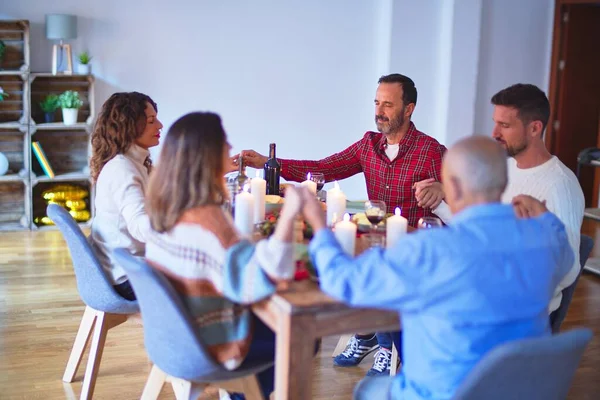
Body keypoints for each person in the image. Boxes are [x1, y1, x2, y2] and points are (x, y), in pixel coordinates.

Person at [302, 136, 574, 400]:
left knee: (367, 389)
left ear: (451, 187)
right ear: (503, 183)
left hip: (443, 393)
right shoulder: (544, 239)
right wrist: (546, 217)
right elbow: (566, 259)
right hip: (518, 390)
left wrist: (317, 223)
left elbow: (341, 281)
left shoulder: (430, 249)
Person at [241, 73, 447, 374]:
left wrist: (442, 190)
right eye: (377, 102)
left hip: (412, 248)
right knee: (338, 258)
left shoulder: (431, 151)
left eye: (388, 104)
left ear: (409, 109)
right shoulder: (368, 145)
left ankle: (387, 342)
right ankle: (370, 334)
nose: (380, 111)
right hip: (374, 243)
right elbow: (323, 168)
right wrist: (270, 163)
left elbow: (461, 196)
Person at [144, 112, 308, 400]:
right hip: (210, 343)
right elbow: (267, 277)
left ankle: (245, 393)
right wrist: (291, 212)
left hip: (171, 338)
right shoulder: (209, 221)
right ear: (207, 156)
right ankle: (246, 392)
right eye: (225, 143)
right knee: (302, 335)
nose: (230, 149)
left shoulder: (163, 210)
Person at [416, 83, 584, 316]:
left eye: (504, 125)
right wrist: (441, 202)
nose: (494, 133)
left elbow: (569, 269)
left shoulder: (559, 185)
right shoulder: (506, 168)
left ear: (535, 128)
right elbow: (481, 233)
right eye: (495, 122)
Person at [89, 92, 163, 300]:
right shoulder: (123, 169)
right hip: (128, 278)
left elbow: (173, 184)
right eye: (151, 121)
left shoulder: (135, 163)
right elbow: (141, 227)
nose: (160, 125)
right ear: (129, 125)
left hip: (129, 268)